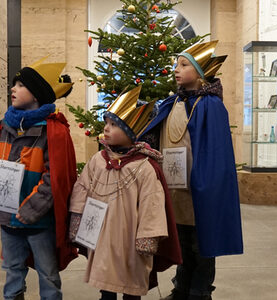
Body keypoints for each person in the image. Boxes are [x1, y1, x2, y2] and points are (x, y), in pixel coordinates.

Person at [138, 40, 244, 300]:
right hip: (175, 190)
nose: (177, 69)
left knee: (202, 244)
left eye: (184, 65)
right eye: (176, 64)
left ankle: (200, 291)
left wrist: (206, 183)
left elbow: (216, 152)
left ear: (200, 73)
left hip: (200, 189)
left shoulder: (211, 106)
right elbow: (152, 134)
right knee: (182, 241)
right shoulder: (171, 103)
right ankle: (181, 287)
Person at [68, 86, 182, 300]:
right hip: (102, 235)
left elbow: (153, 205)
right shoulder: (98, 160)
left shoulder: (144, 167)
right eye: (106, 123)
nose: (107, 129)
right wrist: (77, 217)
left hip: (131, 239)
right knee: (106, 280)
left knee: (131, 283)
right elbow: (82, 187)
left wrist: (147, 237)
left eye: (114, 125)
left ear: (131, 132)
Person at [0, 57, 78, 300]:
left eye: (20, 85)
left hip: (38, 221)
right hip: (7, 218)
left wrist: (31, 209)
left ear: (36, 95)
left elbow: (55, 178)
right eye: (14, 84)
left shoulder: (52, 131)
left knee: (47, 274)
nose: (13, 89)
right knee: (12, 271)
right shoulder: (5, 127)